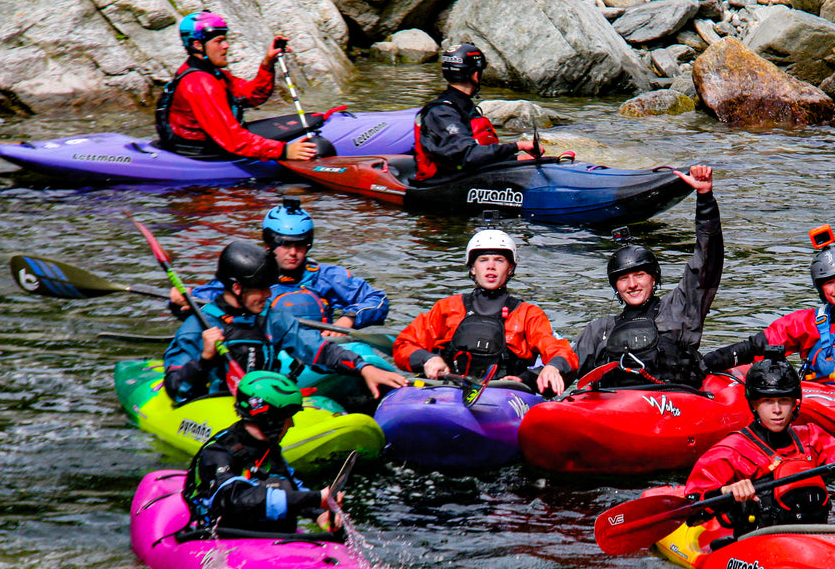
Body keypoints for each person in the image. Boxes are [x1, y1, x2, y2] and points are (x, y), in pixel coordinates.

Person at [683, 358, 835, 538]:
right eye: (768, 401)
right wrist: (726, 491)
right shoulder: (730, 451)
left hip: (813, 536)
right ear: (754, 404)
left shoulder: (811, 437)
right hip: (755, 541)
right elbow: (692, 509)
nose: (777, 410)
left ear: (795, 403)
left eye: (784, 400)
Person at [163, 240, 405, 403]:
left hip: (263, 403)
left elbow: (317, 349)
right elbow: (176, 389)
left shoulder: (272, 318)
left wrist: (363, 367)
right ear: (237, 288)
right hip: (215, 404)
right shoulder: (198, 327)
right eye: (261, 289)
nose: (269, 295)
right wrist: (205, 359)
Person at [701, 237, 835, 391]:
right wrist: (708, 362)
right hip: (819, 401)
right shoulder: (806, 321)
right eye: (829, 283)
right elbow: (756, 346)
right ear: (821, 290)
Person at [571, 164, 721, 386]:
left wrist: (705, 198)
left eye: (639, 275)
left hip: (674, 398)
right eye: (623, 279)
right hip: (619, 403)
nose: (632, 284)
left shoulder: (680, 309)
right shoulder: (599, 331)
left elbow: (707, 261)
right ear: (616, 287)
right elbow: (565, 365)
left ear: (654, 279)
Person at [392, 230, 577, 396]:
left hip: (504, 393)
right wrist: (428, 359)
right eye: (483, 260)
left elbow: (562, 351)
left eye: (499, 260)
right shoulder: (447, 307)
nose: (491, 266)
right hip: (448, 388)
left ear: (510, 269)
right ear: (473, 268)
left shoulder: (528, 314)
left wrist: (551, 367)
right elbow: (403, 345)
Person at [184, 198, 390, 330]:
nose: (293, 253)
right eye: (285, 245)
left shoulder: (326, 277)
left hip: (318, 348)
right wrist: (183, 299)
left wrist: (349, 319)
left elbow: (377, 299)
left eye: (300, 245)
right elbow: (203, 299)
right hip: (264, 346)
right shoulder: (247, 274)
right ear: (269, 244)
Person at [183, 371, 341, 532]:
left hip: (269, 538)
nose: (291, 424)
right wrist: (315, 498)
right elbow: (237, 499)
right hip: (221, 536)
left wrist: (318, 513)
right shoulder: (217, 453)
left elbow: (291, 488)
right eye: (287, 417)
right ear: (269, 419)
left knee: (280, 482)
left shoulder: (268, 447)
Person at [155, 11, 316, 161]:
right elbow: (233, 139)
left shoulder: (211, 73)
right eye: (219, 41)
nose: (226, 46)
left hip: (213, 141)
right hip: (202, 152)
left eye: (225, 40)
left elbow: (252, 96)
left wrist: (268, 63)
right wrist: (284, 151)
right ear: (198, 45)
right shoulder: (200, 84)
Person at [412, 43, 536, 182]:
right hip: (443, 183)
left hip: (471, 177)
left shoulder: (462, 108)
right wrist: (518, 146)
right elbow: (467, 156)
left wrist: (518, 159)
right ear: (476, 75)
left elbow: (479, 155)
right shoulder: (442, 112)